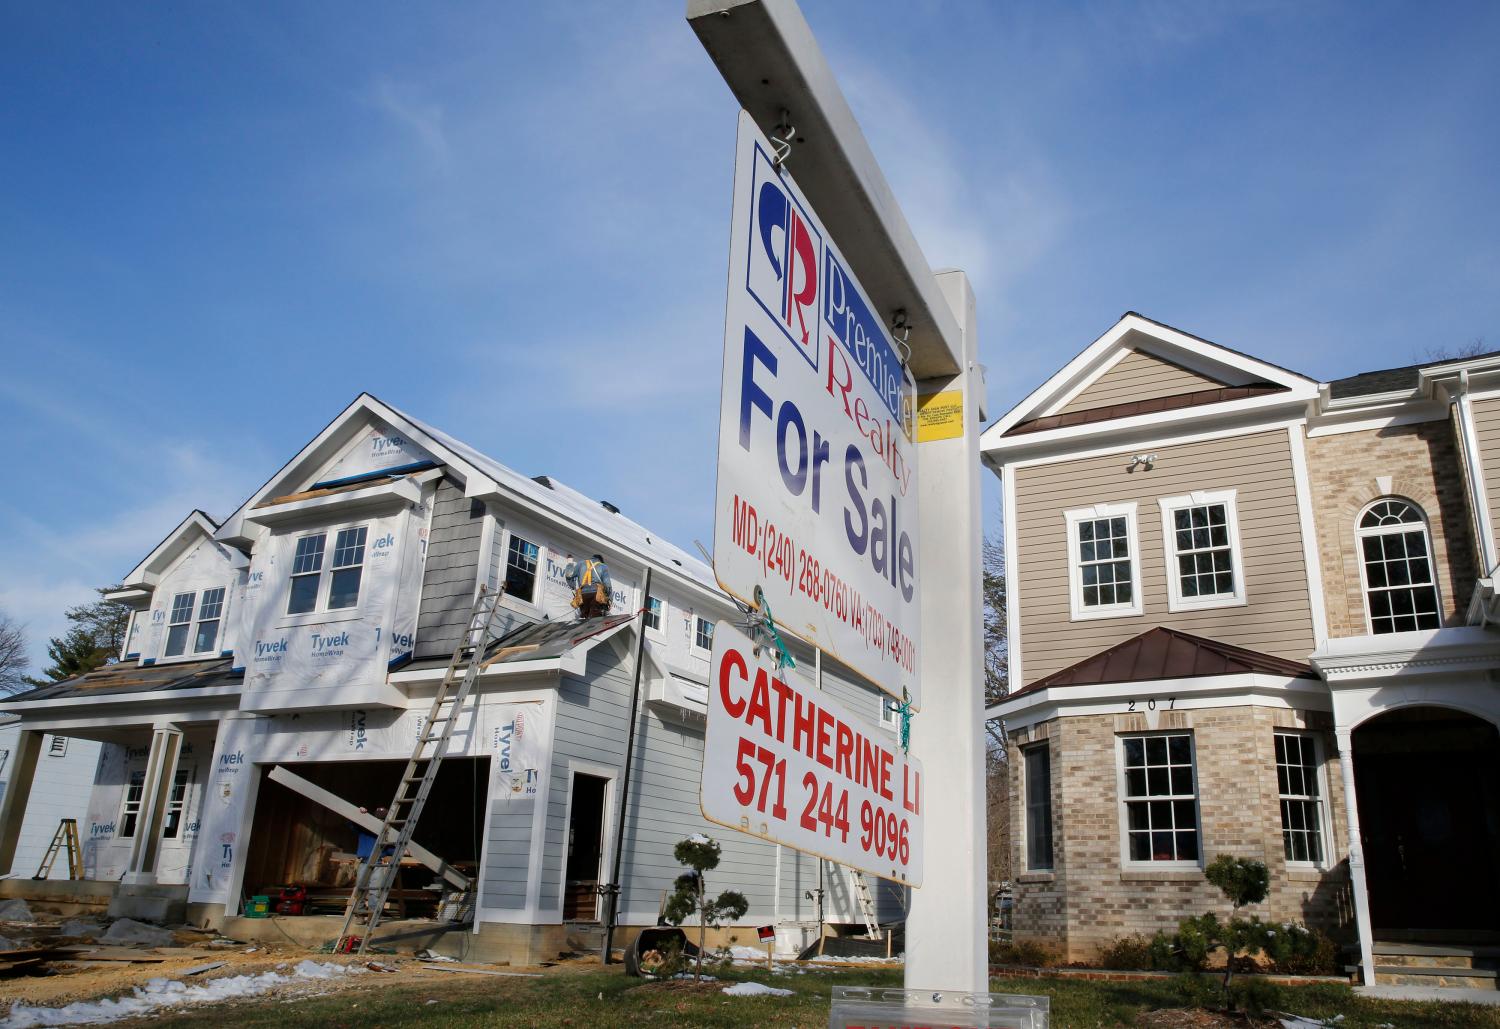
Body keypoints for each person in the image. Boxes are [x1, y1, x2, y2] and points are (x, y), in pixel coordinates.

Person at [565, 553, 612, 618]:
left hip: (583, 595)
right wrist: (609, 600)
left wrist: (570, 563)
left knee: (584, 617)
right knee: (595, 618)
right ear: (600, 561)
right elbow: (608, 586)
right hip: (596, 596)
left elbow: (569, 575)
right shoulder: (603, 566)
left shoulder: (581, 564)